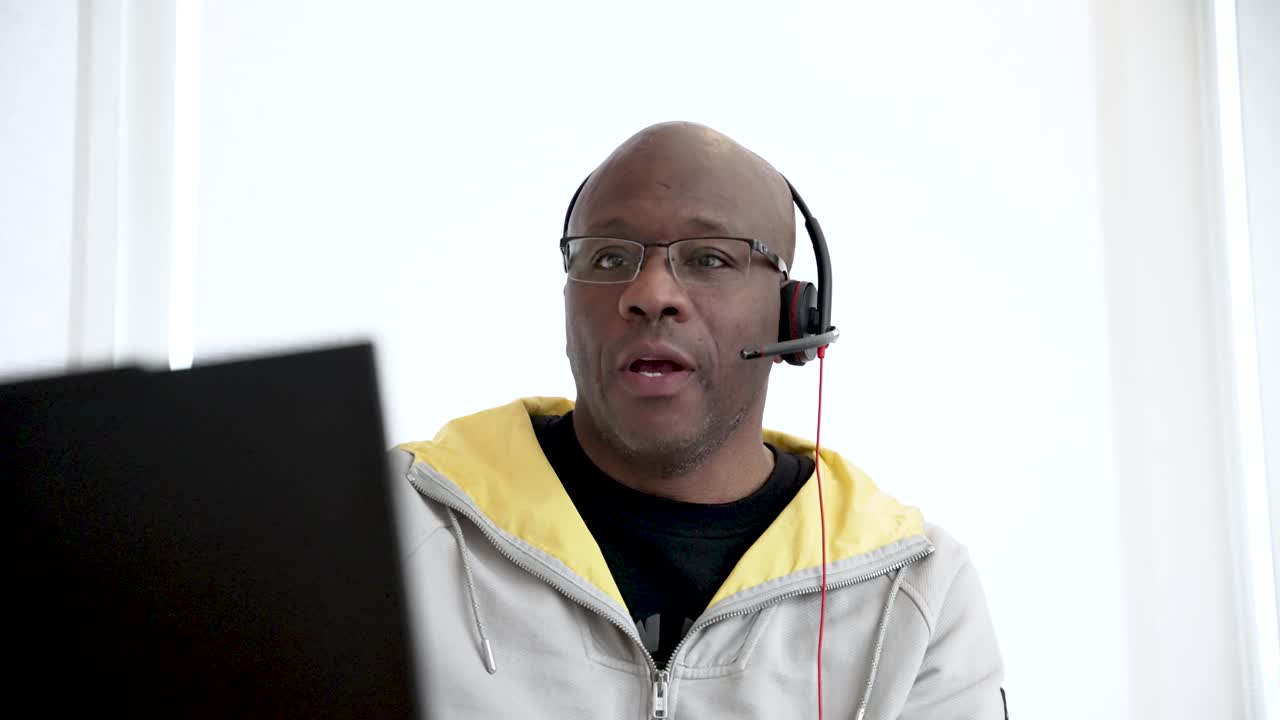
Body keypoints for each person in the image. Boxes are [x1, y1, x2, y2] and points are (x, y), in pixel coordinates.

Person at [388, 121, 1006, 719]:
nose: (651, 293)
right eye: (607, 258)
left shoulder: (911, 592)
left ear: (795, 315)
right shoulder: (391, 521)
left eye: (710, 258)